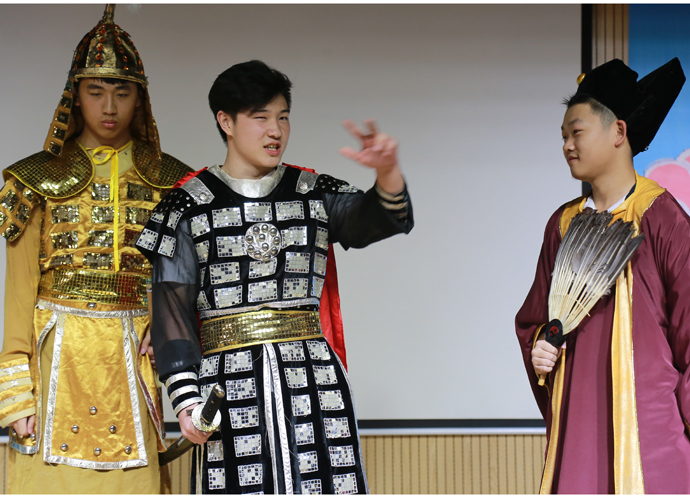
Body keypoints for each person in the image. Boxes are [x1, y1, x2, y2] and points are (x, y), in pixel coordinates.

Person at [136, 59, 413, 494]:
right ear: (226, 121)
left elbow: (377, 219)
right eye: (260, 117)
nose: (275, 131)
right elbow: (172, 311)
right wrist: (187, 401)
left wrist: (387, 171)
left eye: (283, 117)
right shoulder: (187, 206)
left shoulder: (313, 192)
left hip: (313, 377)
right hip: (226, 384)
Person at [0, 5, 192, 494]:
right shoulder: (34, 179)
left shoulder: (174, 183)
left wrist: (169, 327)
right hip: (55, 363)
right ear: (75, 95)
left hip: (131, 361)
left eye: (122, 93)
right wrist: (15, 395)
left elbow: (184, 279)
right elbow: (19, 294)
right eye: (96, 91)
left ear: (139, 99)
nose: (109, 107)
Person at [516, 57, 690, 494]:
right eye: (563, 136)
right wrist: (540, 346)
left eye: (576, 132)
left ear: (619, 132)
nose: (567, 145)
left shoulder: (661, 217)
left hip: (652, 432)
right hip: (577, 424)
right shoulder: (563, 225)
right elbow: (536, 321)